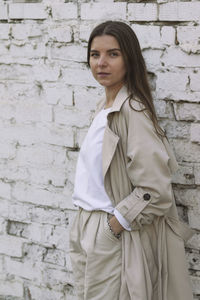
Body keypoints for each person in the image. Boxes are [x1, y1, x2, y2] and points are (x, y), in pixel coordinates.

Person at [69, 20, 195, 300]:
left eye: (113, 54)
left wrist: (112, 227)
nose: (101, 62)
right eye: (95, 54)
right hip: (85, 224)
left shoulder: (132, 112)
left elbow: (154, 191)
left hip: (109, 230)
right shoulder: (105, 107)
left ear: (129, 59)